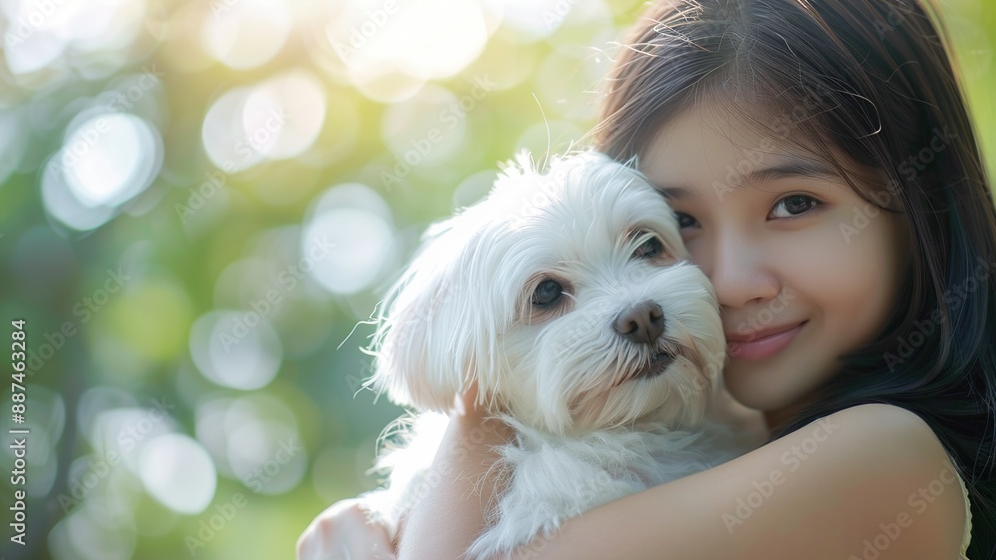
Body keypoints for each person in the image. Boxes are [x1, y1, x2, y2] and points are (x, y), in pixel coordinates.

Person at [297, 0, 996, 558]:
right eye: (681, 224)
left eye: (793, 204)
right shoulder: (738, 441)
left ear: (920, 204)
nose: (726, 282)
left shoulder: (888, 462)